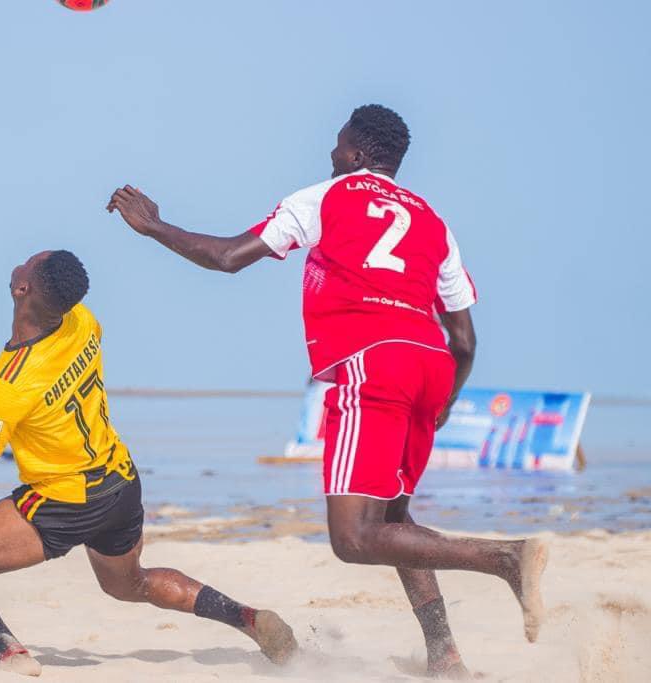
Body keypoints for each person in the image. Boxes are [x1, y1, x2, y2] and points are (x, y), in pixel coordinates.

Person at [107, 105, 547, 677]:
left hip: (372, 365)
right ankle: (444, 655)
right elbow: (463, 338)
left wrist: (154, 227)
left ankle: (506, 559)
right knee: (394, 521)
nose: (331, 154)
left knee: (353, 538)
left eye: (338, 146)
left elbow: (227, 258)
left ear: (359, 155)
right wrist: (446, 400)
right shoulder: (434, 220)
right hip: (430, 366)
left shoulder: (327, 195)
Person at [0, 250, 298, 677]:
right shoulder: (82, 322)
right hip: (121, 483)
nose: (21, 259)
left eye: (28, 260)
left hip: (64, 501)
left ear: (22, 286)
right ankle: (248, 618)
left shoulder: (8, 387)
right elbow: (43, 367)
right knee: (129, 584)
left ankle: (10, 655)